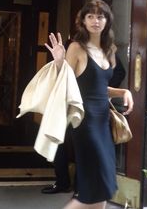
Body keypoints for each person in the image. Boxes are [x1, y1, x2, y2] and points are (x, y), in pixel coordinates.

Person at [44, 0, 134, 209]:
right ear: (83, 21)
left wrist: (123, 91)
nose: (96, 20)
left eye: (100, 16)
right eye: (90, 16)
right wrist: (59, 62)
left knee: (102, 186)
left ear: (107, 20)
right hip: (85, 122)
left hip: (103, 121)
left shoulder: (109, 50)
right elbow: (64, 84)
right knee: (90, 188)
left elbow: (97, 87)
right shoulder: (76, 47)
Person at [41, 54, 126, 195]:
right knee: (57, 141)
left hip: (89, 107)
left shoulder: (104, 49)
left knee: (83, 146)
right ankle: (62, 182)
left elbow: (119, 71)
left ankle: (80, 187)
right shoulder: (73, 47)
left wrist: (101, 90)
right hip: (67, 103)